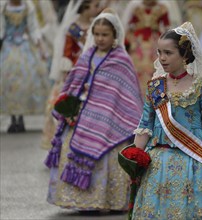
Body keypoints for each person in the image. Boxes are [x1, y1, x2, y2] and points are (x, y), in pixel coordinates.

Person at [132, 22, 202, 219]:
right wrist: (133, 159)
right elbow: (144, 126)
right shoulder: (155, 86)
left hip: (194, 161)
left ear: (184, 55)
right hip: (158, 163)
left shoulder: (199, 85)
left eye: (168, 53)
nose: (162, 58)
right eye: (159, 53)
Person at [45, 8, 143, 212]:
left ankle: (107, 200)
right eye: (96, 34)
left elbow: (126, 93)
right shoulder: (87, 55)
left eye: (105, 35)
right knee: (70, 146)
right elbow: (74, 80)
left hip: (109, 115)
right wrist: (70, 101)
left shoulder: (121, 60)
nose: (99, 38)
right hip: (83, 110)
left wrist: (99, 91)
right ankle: (83, 201)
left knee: (107, 153)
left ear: (115, 35)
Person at [42, 0, 100, 150]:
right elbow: (68, 51)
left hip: (94, 68)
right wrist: (67, 66)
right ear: (85, 8)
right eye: (95, 6)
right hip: (76, 70)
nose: (98, 9)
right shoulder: (73, 28)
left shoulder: (98, 26)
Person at [0, 0, 50, 133]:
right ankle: (12, 117)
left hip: (23, 44)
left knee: (26, 78)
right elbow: (1, 28)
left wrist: (40, 47)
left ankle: (20, 117)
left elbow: (33, 28)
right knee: (8, 79)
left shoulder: (28, 6)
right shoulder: (3, 6)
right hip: (7, 45)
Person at [122, 0, 170, 97]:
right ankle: (134, 95)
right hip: (138, 44)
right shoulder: (136, 8)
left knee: (155, 70)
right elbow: (130, 25)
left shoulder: (162, 8)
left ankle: (154, 96)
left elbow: (166, 26)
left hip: (155, 43)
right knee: (136, 68)